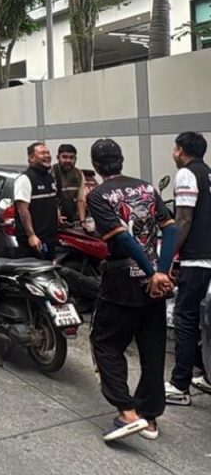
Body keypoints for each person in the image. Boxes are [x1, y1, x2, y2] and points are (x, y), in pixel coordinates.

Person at [86, 139, 177, 441]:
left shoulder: (98, 194)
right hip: (154, 283)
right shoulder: (147, 188)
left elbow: (123, 238)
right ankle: (149, 417)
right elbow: (171, 228)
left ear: (95, 165)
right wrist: (162, 272)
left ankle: (127, 412)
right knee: (152, 348)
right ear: (121, 159)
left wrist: (153, 274)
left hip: (123, 279)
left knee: (105, 343)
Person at [166, 132, 211, 404]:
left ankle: (179, 385)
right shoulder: (208, 174)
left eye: (175, 148)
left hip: (196, 260)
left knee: (185, 318)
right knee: (204, 323)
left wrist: (168, 258)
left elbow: (183, 219)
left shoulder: (186, 174)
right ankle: (205, 374)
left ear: (181, 150)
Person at [13, 142, 58, 259]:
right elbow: (23, 210)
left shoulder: (49, 178)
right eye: (42, 153)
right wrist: (31, 235)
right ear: (31, 158)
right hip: (34, 241)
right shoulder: (25, 179)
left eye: (48, 153)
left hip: (49, 238)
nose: (47, 156)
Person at [51, 143, 87, 224]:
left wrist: (82, 221)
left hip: (70, 215)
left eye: (71, 157)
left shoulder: (78, 174)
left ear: (75, 159)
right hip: (52, 214)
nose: (68, 160)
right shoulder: (50, 172)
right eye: (64, 157)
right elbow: (47, 200)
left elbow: (80, 200)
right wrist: (56, 215)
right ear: (58, 157)